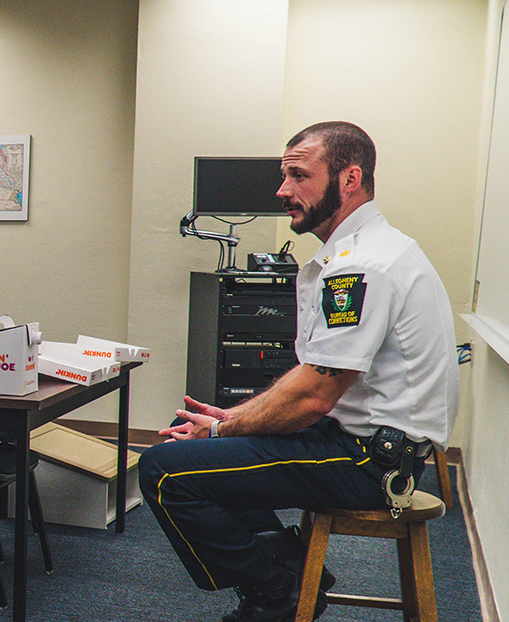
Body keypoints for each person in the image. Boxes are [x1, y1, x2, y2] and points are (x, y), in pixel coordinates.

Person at [137, 121, 459, 622]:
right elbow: (312, 381)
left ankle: (276, 589)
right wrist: (229, 423)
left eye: (298, 176)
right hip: (357, 442)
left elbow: (312, 396)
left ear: (349, 179)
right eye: (284, 176)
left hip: (368, 464)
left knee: (164, 472)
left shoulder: (365, 266)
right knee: (203, 453)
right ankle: (286, 572)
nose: (283, 191)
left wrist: (224, 425)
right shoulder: (363, 252)